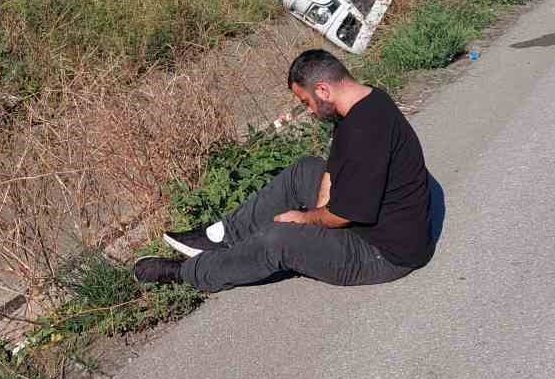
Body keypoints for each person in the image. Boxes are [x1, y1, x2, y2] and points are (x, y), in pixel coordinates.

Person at [134, 49, 433, 292]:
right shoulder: (365, 101)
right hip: (375, 224)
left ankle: (188, 272)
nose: (310, 111)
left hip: (385, 253)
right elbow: (335, 162)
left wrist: (304, 219)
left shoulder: (366, 132)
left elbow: (343, 215)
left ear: (323, 89)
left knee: (281, 239)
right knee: (305, 169)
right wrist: (320, 208)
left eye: (307, 102)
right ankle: (220, 237)